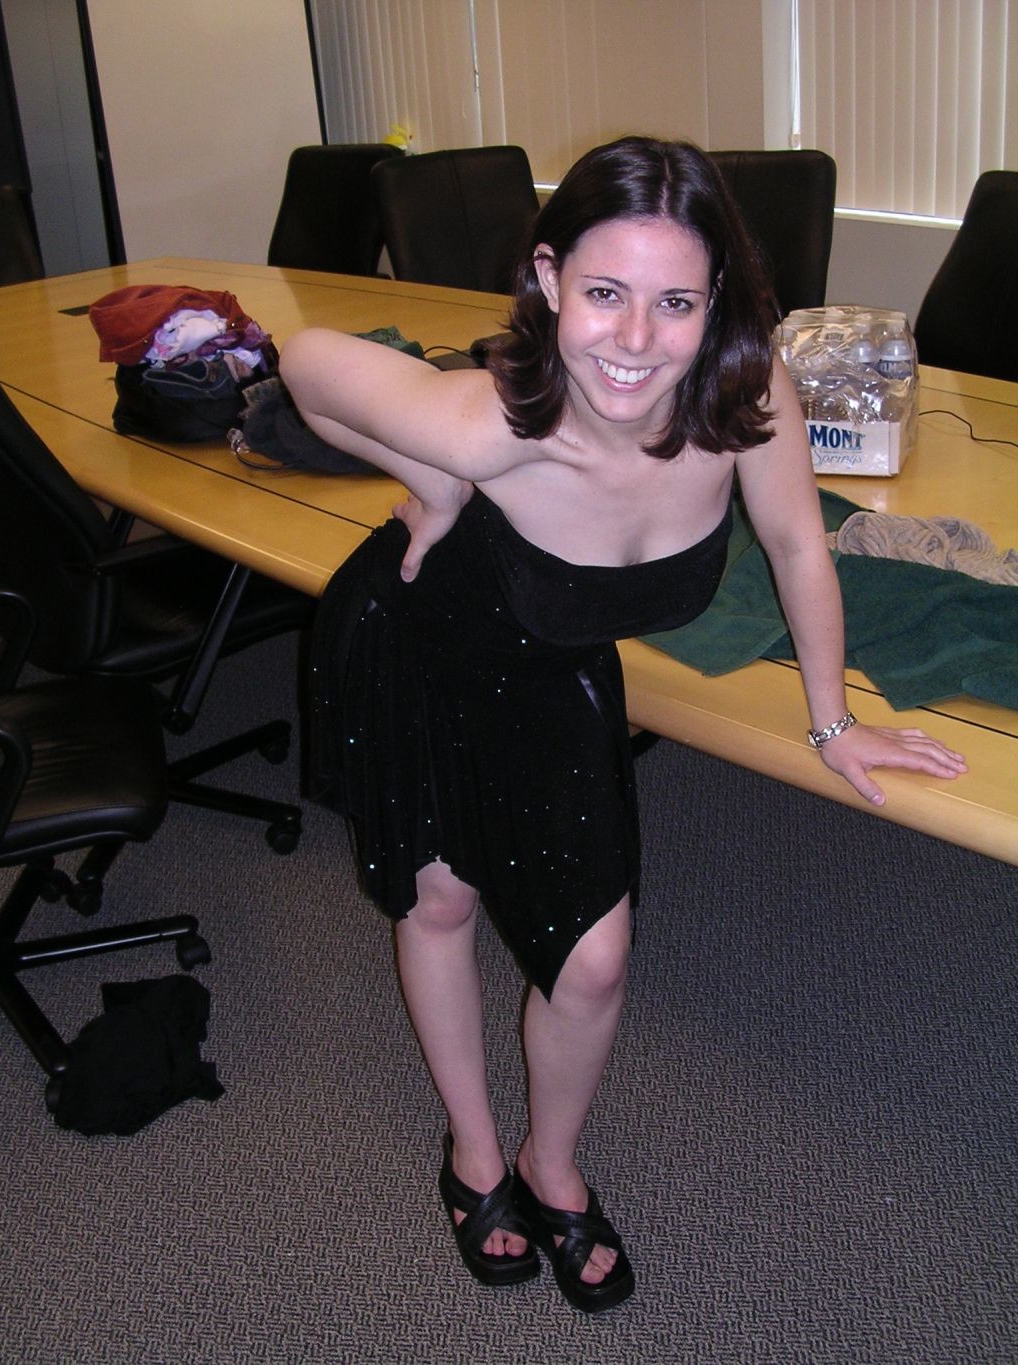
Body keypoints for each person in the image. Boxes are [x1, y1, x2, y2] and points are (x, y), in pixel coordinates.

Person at [280, 136, 967, 1314]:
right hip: (423, 646)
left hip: (553, 674)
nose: (636, 340)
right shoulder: (492, 420)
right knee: (440, 903)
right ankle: (474, 1156)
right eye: (603, 292)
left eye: (675, 303)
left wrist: (831, 721)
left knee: (593, 962)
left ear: (718, 303)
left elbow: (798, 542)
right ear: (549, 280)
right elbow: (301, 358)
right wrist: (435, 480)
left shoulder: (744, 397)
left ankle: (551, 1164)